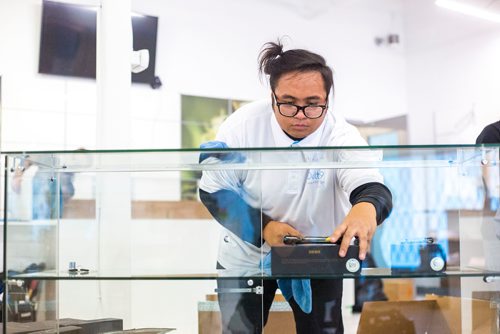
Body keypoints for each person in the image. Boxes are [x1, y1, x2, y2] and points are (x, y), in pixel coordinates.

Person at [198, 39, 393, 334]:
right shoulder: (242, 126)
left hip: (316, 250)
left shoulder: (340, 135)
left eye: (313, 104)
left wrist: (365, 211)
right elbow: (214, 192)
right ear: (272, 95)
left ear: (327, 99)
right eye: (288, 103)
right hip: (247, 251)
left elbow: (372, 187)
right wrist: (264, 228)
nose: (300, 115)